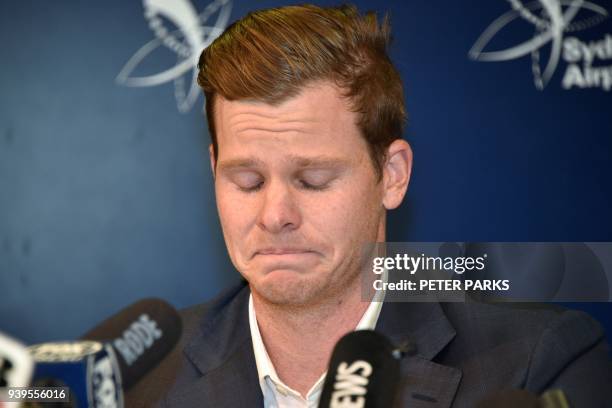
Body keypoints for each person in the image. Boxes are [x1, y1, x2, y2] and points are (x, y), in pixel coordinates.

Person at [127, 4, 612, 407]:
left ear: (392, 175)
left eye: (313, 179)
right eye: (247, 180)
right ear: (214, 171)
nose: (275, 215)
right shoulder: (136, 383)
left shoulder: (539, 363)